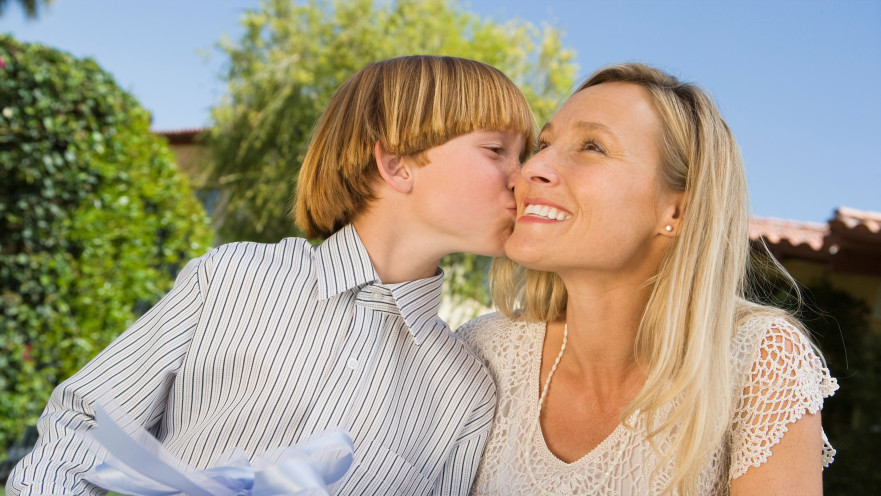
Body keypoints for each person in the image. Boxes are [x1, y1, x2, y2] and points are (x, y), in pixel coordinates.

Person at [7, 55, 536, 496]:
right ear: (397, 164)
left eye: (525, 155)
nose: (525, 176)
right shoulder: (231, 278)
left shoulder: (465, 392)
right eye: (497, 150)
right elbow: (82, 430)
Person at [458, 63, 837, 495]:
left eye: (593, 147)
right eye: (544, 144)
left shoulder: (757, 360)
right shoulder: (482, 351)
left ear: (677, 211)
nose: (532, 168)